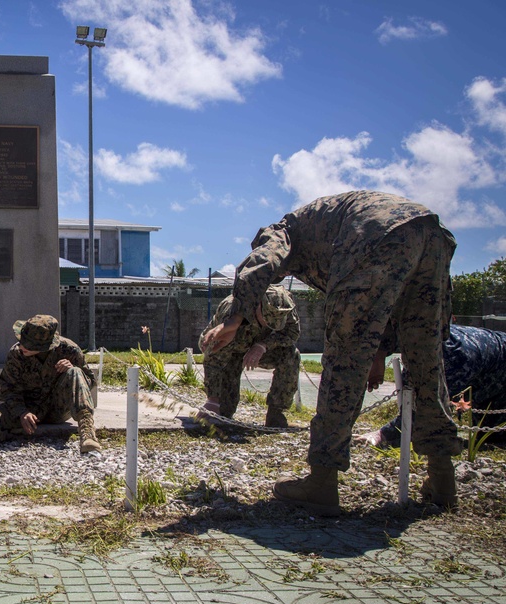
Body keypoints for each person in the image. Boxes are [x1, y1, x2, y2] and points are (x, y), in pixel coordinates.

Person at [201, 190, 459, 515]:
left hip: (371, 232)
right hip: (430, 232)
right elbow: (387, 301)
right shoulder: (321, 220)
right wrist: (378, 353)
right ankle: (442, 479)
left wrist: (234, 319)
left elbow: (260, 263)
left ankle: (321, 482)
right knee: (427, 361)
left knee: (342, 365)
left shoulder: (282, 231)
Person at [0, 314, 101, 456]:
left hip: (57, 407)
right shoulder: (16, 354)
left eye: (29, 345)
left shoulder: (70, 350)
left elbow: (90, 381)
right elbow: (7, 389)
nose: (22, 346)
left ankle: (87, 433)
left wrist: (72, 368)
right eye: (22, 341)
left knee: (75, 372)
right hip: (27, 410)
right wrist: (22, 412)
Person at [360, 324, 506, 447]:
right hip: (487, 364)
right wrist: (379, 355)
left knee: (493, 437)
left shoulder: (452, 359)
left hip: (494, 364)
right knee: (488, 438)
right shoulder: (420, 341)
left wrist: (383, 435)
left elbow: (424, 408)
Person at [199, 285, 300, 428]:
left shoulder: (287, 304)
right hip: (230, 350)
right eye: (267, 319)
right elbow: (213, 356)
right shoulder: (231, 310)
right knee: (222, 413)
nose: (270, 325)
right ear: (258, 306)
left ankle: (276, 413)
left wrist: (262, 346)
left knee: (291, 354)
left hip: (261, 347)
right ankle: (220, 408)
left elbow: (292, 334)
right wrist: (213, 399)